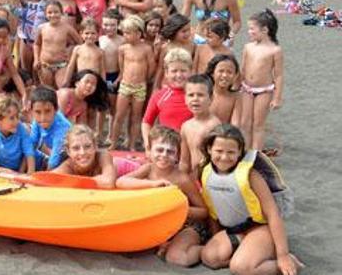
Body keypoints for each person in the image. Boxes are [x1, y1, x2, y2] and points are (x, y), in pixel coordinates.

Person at [198, 124, 301, 275]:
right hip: (236, 231)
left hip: (260, 228)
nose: (225, 157)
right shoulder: (206, 172)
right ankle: (249, 253)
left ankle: (288, 262)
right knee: (210, 258)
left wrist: (283, 255)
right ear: (209, 149)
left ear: (240, 152)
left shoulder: (250, 175)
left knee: (239, 268)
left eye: (231, 152)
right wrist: (216, 237)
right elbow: (214, 212)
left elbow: (273, 214)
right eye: (219, 151)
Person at [116, 126, 208, 267]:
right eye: (159, 149)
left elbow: (203, 211)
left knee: (177, 258)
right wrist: (153, 184)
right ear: (150, 150)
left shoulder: (182, 179)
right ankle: (166, 243)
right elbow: (121, 182)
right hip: (161, 224)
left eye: (170, 151)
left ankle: (207, 251)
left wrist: (175, 208)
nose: (164, 155)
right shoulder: (148, 169)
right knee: (126, 245)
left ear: (177, 155)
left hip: (188, 226)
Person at [240, 10, 284, 152]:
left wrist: (277, 98)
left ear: (265, 30)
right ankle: (245, 151)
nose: (249, 32)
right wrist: (236, 86)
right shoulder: (248, 47)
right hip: (246, 88)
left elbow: (278, 75)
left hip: (264, 90)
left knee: (258, 124)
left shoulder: (275, 50)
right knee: (245, 123)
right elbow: (243, 68)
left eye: (252, 28)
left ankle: (256, 154)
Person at [111, 16, 155, 151]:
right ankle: (113, 141)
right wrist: (123, 77)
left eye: (129, 33)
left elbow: (151, 66)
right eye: (124, 32)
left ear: (138, 33)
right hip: (125, 85)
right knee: (119, 115)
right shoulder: (123, 49)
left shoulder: (146, 49)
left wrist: (144, 79)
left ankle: (131, 144)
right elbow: (122, 66)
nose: (126, 36)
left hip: (140, 86)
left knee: (136, 116)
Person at [142, 48, 194, 147]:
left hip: (190, 150)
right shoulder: (159, 96)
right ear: (166, 73)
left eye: (183, 71)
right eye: (174, 71)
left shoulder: (196, 95)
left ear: (190, 71)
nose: (179, 75)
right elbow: (146, 122)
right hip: (166, 150)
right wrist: (148, 144)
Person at [33, 0, 82, 89]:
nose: (53, 15)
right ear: (45, 14)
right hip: (45, 65)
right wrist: (36, 59)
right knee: (47, 89)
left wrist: (71, 50)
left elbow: (80, 42)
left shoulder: (67, 28)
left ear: (61, 12)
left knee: (62, 87)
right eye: (49, 12)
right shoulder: (41, 28)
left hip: (62, 65)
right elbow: (36, 44)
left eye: (56, 12)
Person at [180, 74, 221, 176]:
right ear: (185, 98)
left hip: (210, 178)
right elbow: (184, 162)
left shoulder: (214, 126)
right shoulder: (186, 126)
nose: (195, 99)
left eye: (200, 95)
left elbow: (219, 161)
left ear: (211, 98)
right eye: (191, 95)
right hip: (194, 178)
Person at [52, 124, 115, 189]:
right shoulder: (68, 166)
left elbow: (108, 183)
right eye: (76, 148)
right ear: (68, 151)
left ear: (95, 146)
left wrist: (72, 181)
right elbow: (47, 179)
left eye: (87, 146)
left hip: (121, 166)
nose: (82, 152)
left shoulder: (103, 156)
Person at [28, 86, 71, 171]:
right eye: (38, 112)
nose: (43, 117)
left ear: (56, 110)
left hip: (67, 154)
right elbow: (32, 144)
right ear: (32, 111)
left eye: (47, 111)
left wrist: (47, 175)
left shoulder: (62, 126)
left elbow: (55, 155)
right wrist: (27, 171)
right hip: (52, 154)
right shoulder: (37, 120)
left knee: (64, 160)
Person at [153, 13, 195, 91]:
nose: (187, 33)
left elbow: (193, 67)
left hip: (184, 84)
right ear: (174, 31)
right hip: (167, 84)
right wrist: (155, 87)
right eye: (184, 31)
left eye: (189, 30)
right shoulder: (166, 48)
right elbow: (160, 69)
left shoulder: (192, 46)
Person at [17, 0, 50, 73]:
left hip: (39, 41)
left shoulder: (46, 4)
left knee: (37, 69)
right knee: (25, 69)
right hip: (25, 39)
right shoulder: (23, 1)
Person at [206, 54, 242, 125]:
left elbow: (235, 124)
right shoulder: (205, 93)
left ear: (235, 76)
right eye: (221, 71)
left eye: (229, 72)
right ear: (212, 73)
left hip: (224, 134)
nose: (225, 75)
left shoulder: (235, 98)